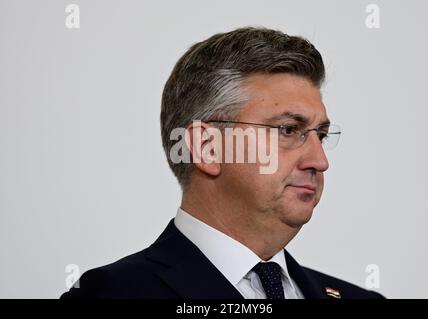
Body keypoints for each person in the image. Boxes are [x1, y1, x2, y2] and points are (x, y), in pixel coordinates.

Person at [61, 26, 384, 299]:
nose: (320, 160)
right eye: (288, 130)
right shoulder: (111, 294)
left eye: (321, 135)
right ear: (207, 147)